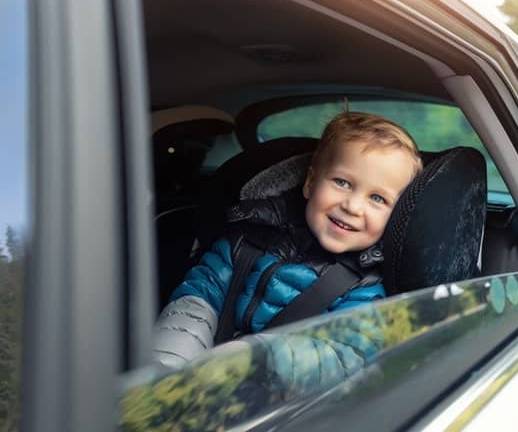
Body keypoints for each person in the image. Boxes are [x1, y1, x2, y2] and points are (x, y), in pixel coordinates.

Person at [152, 111, 423, 369]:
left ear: (396, 216)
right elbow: (195, 301)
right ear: (310, 182)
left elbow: (342, 357)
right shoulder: (243, 243)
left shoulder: (367, 292)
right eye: (342, 182)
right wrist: (170, 365)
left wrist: (256, 360)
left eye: (377, 198)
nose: (352, 206)